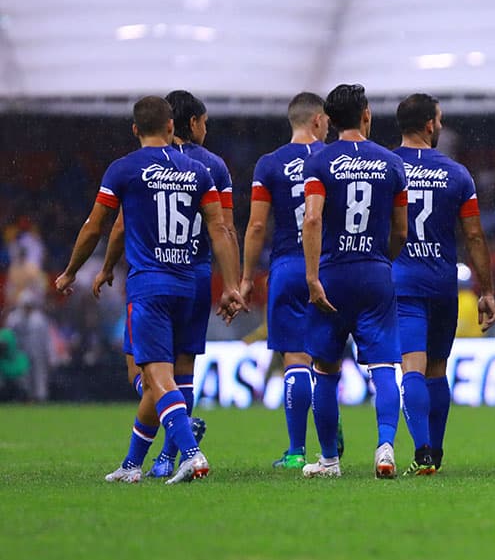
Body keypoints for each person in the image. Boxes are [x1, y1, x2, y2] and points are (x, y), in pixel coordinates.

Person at [56, 95, 243, 483]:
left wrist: (72, 270)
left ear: (135, 130)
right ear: (172, 127)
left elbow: (97, 227)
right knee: (179, 376)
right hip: (193, 284)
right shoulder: (200, 171)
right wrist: (230, 286)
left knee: (154, 375)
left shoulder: (124, 169)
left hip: (151, 284)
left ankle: (190, 452)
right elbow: (221, 230)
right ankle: (132, 464)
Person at [300, 83, 409, 479]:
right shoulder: (392, 164)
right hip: (375, 271)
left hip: (332, 273)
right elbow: (401, 231)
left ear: (328, 120)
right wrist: (381, 261)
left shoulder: (319, 162)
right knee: (383, 366)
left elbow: (311, 219)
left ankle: (329, 460)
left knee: (326, 369)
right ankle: (384, 447)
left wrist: (312, 277)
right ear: (366, 115)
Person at [392, 93, 495, 474]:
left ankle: (421, 451)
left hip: (402, 281)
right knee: (437, 368)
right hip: (441, 282)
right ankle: (435, 452)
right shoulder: (456, 173)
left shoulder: (386, 167)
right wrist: (486, 290)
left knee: (412, 368)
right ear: (429, 125)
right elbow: (473, 237)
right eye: (439, 119)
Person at [240, 92, 331, 469]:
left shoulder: (270, 163)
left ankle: (296, 452)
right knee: (327, 361)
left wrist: (245, 278)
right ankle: (331, 429)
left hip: (288, 267)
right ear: (317, 120)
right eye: (326, 120)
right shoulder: (333, 158)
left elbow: (258, 224)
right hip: (330, 266)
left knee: (294, 359)